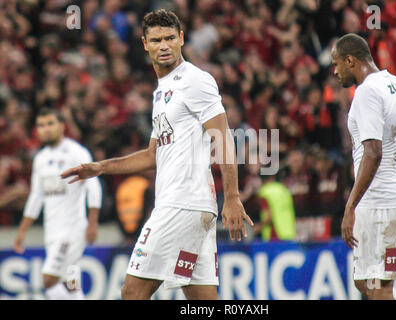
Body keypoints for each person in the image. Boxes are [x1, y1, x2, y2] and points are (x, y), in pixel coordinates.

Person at [61, 9, 253, 300]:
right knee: (202, 300)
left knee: (132, 293)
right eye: (156, 40)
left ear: (181, 39)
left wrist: (233, 196)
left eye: (169, 38)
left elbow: (223, 137)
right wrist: (101, 167)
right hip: (193, 209)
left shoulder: (195, 80)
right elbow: (153, 155)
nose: (164, 45)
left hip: (181, 204)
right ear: (144, 44)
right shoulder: (161, 91)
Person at [331, 33, 396, 300]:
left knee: (376, 286)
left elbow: (373, 151)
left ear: (350, 60)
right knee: (369, 284)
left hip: (382, 201)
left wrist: (350, 206)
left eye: (337, 64)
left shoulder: (367, 91)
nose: (335, 72)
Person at [13, 108, 102, 300]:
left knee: (48, 280)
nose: (45, 129)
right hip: (52, 230)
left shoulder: (76, 152)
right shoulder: (40, 158)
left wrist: (93, 222)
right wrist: (22, 230)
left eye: (50, 124)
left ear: (62, 126)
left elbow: (93, 187)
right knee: (70, 282)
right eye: (41, 125)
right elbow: (36, 196)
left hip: (71, 229)